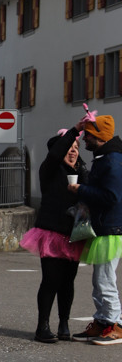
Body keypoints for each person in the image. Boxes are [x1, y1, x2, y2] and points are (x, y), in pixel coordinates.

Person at [19, 128, 87, 342]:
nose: (73, 152)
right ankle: (43, 326)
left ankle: (64, 324)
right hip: (52, 233)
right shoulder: (50, 169)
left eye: (76, 148)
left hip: (74, 235)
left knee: (68, 281)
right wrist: (74, 131)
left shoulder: (83, 171)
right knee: (50, 280)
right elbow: (55, 154)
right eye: (69, 148)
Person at [68, 113, 122, 345]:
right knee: (99, 280)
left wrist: (80, 190)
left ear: (99, 137)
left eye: (88, 135)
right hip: (105, 226)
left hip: (110, 228)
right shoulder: (105, 158)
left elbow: (111, 196)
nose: (85, 139)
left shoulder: (112, 161)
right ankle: (102, 322)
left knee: (105, 279)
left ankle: (114, 325)